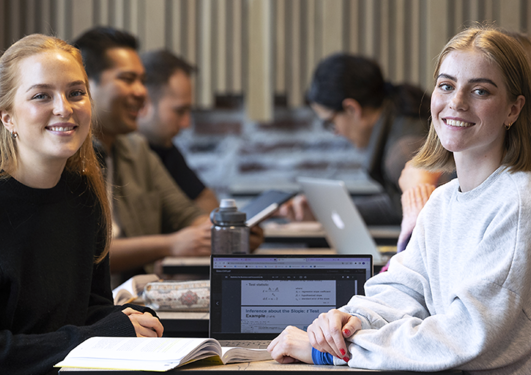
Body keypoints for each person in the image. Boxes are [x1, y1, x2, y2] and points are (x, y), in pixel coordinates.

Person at [267, 26, 531, 373]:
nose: (457, 102)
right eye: (446, 85)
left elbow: (468, 338)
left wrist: (332, 352)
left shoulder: (518, 202)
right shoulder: (443, 201)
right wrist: (345, 322)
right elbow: (400, 289)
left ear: (513, 110)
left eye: (480, 90)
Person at [0, 34, 163, 375]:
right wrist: (94, 335)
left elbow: (89, 308)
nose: (64, 108)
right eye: (41, 95)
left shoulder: (84, 194)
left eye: (76, 93)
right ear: (7, 117)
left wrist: (127, 319)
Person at [72, 27, 213, 279]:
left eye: (142, 81)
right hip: (96, 309)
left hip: (140, 299)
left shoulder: (139, 151)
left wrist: (227, 232)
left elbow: (188, 216)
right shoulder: (66, 156)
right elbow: (84, 253)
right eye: (127, 79)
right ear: (87, 84)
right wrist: (171, 244)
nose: (141, 92)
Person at [279, 53, 442, 226]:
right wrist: (327, 214)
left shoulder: (403, 152)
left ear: (352, 109)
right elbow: (399, 205)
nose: (335, 132)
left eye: (330, 122)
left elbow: (436, 222)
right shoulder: (401, 125)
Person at [138, 50, 218, 213]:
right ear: (143, 104)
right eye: (179, 111)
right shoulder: (115, 152)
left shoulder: (165, 149)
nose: (186, 124)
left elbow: (206, 202)